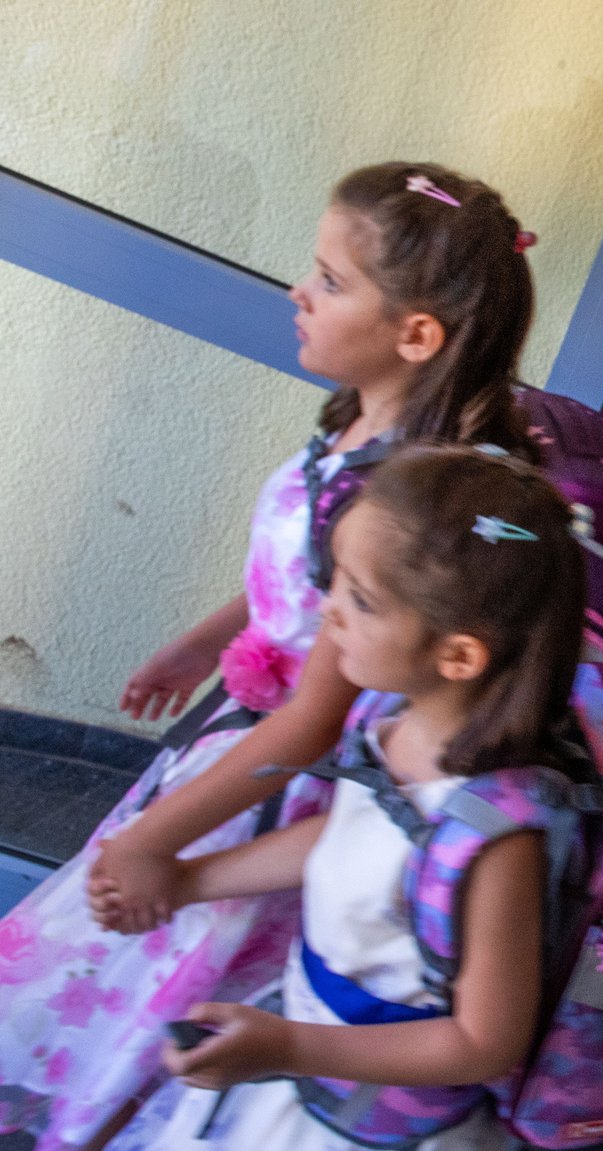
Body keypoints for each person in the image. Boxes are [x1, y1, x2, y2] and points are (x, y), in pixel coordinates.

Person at [0, 162, 537, 1151]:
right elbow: (305, 569)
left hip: (281, 782)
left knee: (164, 988)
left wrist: (152, 839)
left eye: (332, 280)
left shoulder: (407, 490)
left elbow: (316, 717)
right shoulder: (361, 427)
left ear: (415, 335)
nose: (301, 289)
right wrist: (207, 638)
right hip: (244, 742)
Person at [109, 444, 588, 1150]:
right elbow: (350, 835)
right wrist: (186, 881)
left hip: (367, 1123)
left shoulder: (497, 835)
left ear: (458, 655)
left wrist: (292, 1048)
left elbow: (485, 1041)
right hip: (297, 1066)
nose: (327, 612)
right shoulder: (393, 719)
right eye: (335, 581)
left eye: (359, 599)